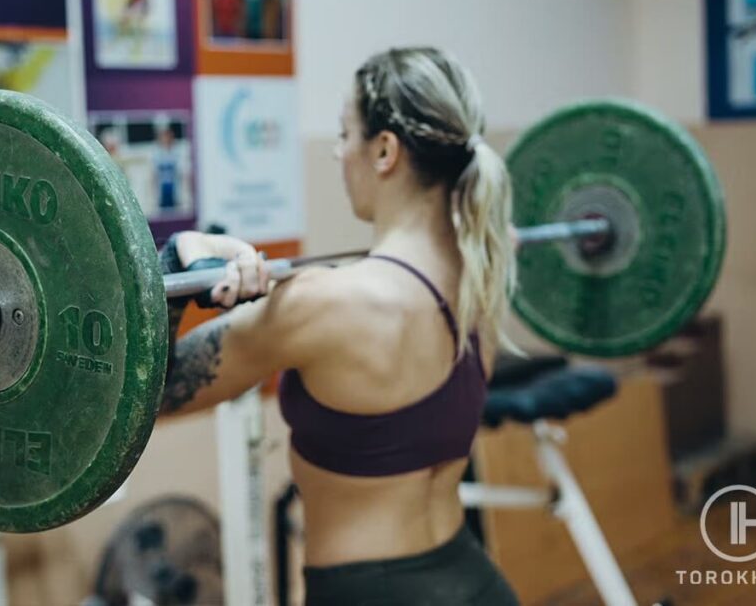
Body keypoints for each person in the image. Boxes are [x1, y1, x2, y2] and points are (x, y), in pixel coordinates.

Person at [157, 46, 520, 605]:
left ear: (383, 150)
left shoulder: (323, 303)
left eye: (344, 133)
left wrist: (177, 257)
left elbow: (152, 394)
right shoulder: (481, 280)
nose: (336, 151)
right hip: (474, 580)